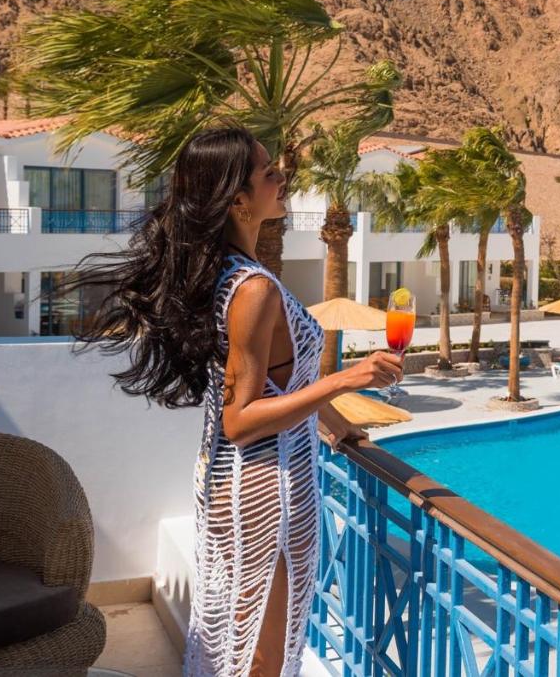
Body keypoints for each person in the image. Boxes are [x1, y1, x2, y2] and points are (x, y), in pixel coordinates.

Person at [68, 125, 405, 676]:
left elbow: (277, 380)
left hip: (241, 484)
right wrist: (347, 380)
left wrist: (334, 421)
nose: (282, 178)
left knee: (244, 648)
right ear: (237, 199)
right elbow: (241, 419)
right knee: (261, 661)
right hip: (265, 492)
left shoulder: (228, 273)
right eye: (268, 173)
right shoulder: (253, 288)